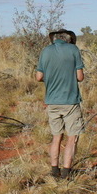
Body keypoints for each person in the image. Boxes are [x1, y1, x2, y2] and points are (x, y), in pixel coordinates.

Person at [36, 29, 85, 179]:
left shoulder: (45, 51)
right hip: (70, 101)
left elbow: (39, 77)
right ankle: (66, 172)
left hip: (52, 101)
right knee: (72, 137)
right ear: (68, 39)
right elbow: (80, 77)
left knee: (56, 137)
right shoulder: (73, 50)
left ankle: (54, 170)